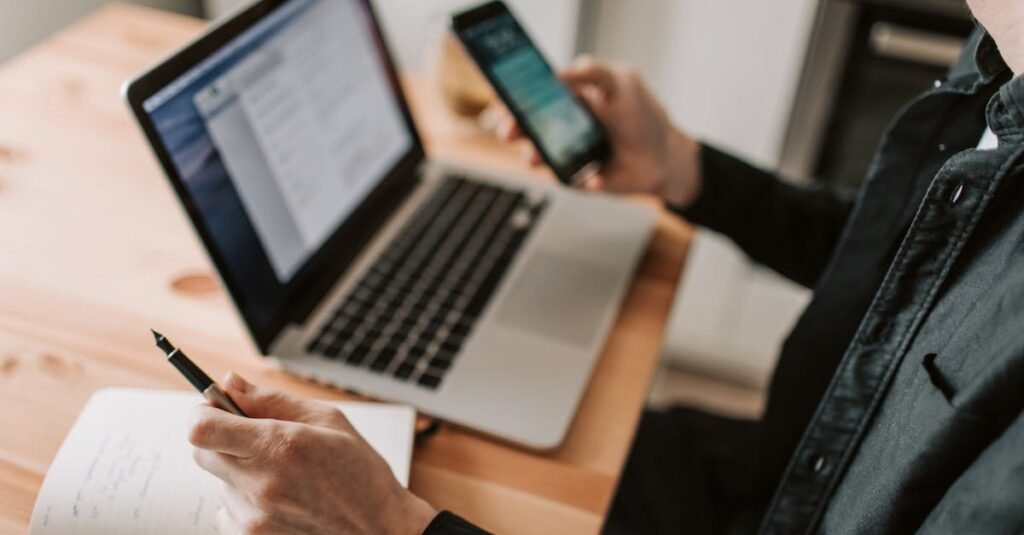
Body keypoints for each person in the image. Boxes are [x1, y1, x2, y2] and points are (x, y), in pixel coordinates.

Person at [187, 1, 1024, 532]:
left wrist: (391, 525)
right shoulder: (999, 51)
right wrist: (685, 169)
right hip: (776, 461)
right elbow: (914, 259)